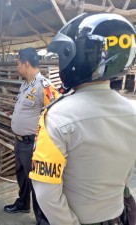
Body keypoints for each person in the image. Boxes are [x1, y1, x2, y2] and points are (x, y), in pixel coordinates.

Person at [29, 13, 136, 225]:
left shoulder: (56, 117)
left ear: (76, 57)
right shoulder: (132, 110)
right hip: (119, 217)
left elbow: (46, 193)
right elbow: (125, 174)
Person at [4, 47, 59, 224]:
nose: (16, 67)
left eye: (18, 63)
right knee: (22, 176)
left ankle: (42, 218)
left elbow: (56, 114)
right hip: (20, 142)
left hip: (33, 144)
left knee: (37, 182)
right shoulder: (26, 84)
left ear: (26, 64)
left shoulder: (44, 86)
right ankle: (22, 204)